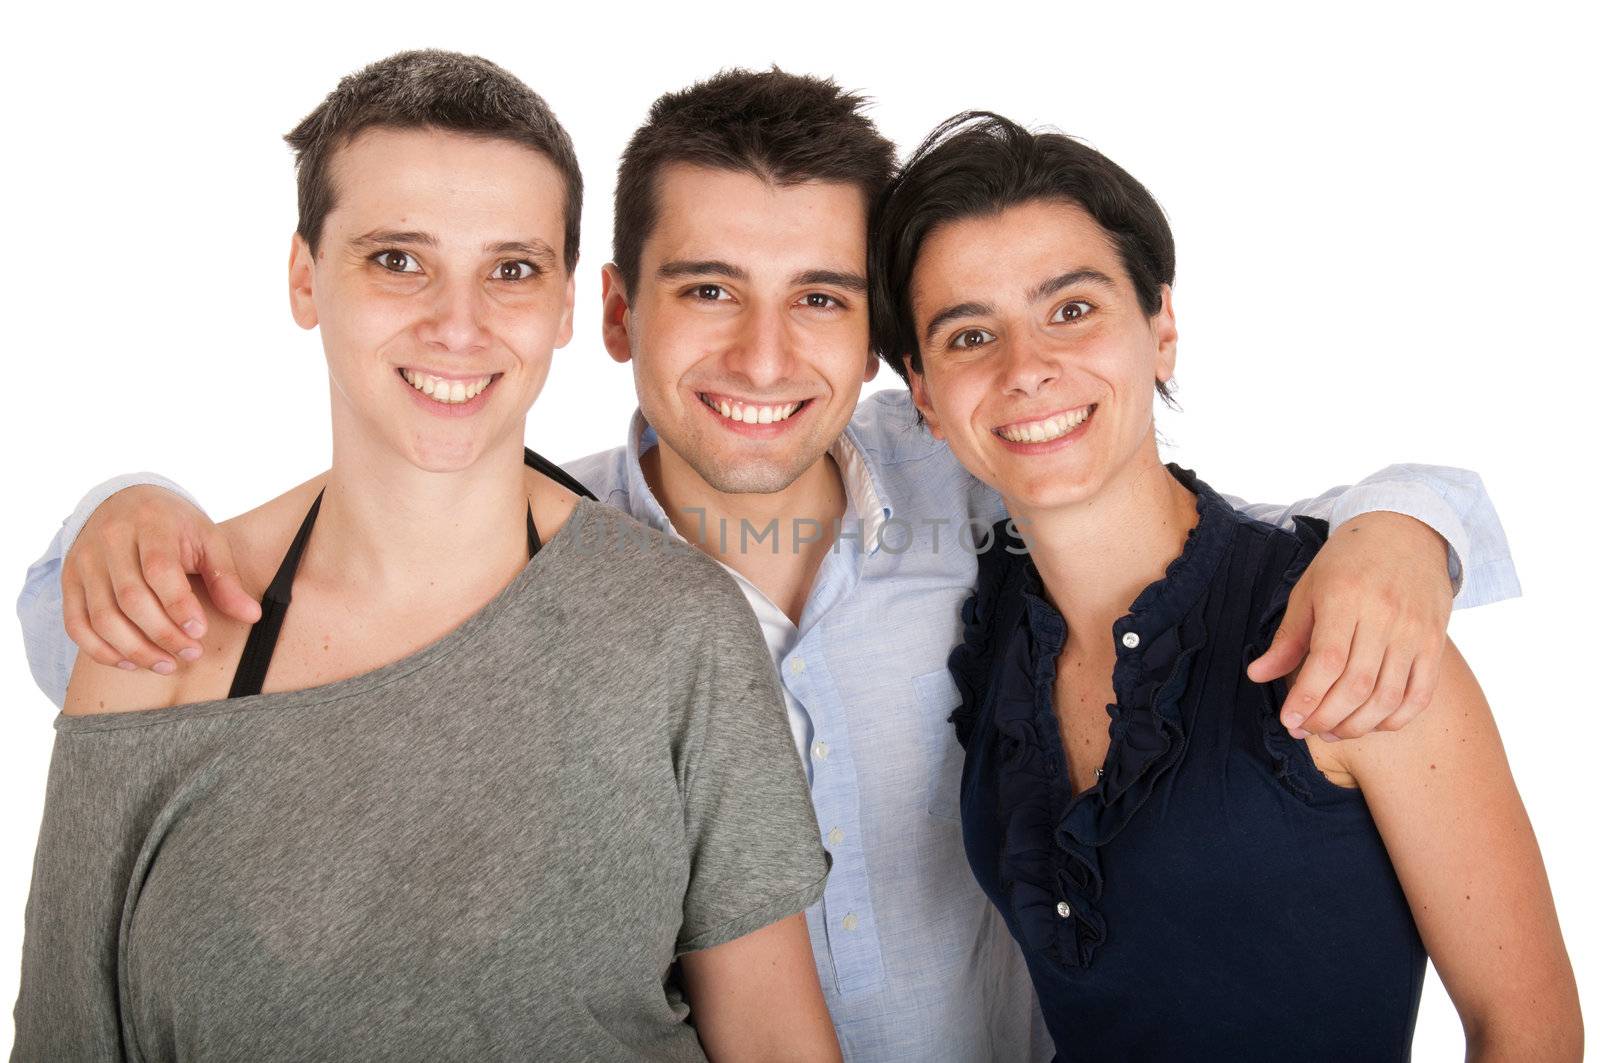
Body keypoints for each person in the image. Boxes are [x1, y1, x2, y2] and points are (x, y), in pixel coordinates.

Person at [17, 70, 1523, 1062]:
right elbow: (170, 646)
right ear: (612, 312)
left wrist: (1410, 524)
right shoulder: (544, 544)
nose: (759, 353)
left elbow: (1217, 533)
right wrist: (121, 507)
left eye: (817, 296)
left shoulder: (973, 478)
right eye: (704, 289)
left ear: (880, 344)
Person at [10, 51, 839, 1062]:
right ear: (304, 279)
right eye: (397, 259)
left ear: (569, 304)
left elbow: (773, 1041)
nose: (459, 324)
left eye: (512, 268)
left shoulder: (678, 627)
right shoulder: (159, 633)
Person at [871, 111, 1581, 1060]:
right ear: (922, 393)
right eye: (968, 336)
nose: (1027, 368)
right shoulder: (995, 624)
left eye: (1073, 310)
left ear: (1160, 329)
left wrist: (1411, 527)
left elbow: (1528, 1030)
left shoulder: (1351, 631)